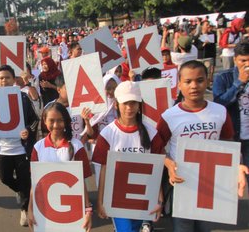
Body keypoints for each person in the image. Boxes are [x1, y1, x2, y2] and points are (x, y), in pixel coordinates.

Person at [156, 60, 248, 232]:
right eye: (188, 81)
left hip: (211, 184)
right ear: (179, 85)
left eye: (199, 80)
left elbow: (229, 143)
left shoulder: (220, 111)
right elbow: (156, 149)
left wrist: (238, 164)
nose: (194, 86)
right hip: (182, 183)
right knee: (182, 228)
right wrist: (169, 165)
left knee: (204, 229)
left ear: (207, 81)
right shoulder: (169, 116)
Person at [92, 81, 164, 232]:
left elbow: (157, 169)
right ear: (117, 105)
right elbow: (103, 170)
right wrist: (100, 201)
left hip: (143, 197)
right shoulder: (107, 134)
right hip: (117, 198)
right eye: (125, 103)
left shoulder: (152, 133)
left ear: (139, 105)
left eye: (133, 103)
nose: (129, 108)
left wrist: (159, 199)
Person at [0, 65, 39, 227]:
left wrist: (27, 131)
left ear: (13, 79)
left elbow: (34, 119)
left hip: (21, 148)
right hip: (3, 149)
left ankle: (24, 208)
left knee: (24, 179)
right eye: (1, 78)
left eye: (7, 77)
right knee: (4, 177)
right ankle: (24, 193)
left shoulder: (23, 98)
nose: (4, 80)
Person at [27, 102, 93, 231]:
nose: (56, 125)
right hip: (45, 207)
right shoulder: (38, 147)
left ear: (66, 122)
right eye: (51, 121)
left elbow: (82, 183)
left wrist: (88, 211)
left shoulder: (77, 146)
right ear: (44, 121)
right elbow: (35, 182)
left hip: (71, 208)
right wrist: (30, 209)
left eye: (60, 120)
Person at [213, 40, 249, 186]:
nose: (247, 65)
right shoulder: (223, 78)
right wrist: (238, 83)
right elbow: (219, 104)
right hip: (232, 137)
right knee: (230, 182)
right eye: (243, 61)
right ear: (235, 59)